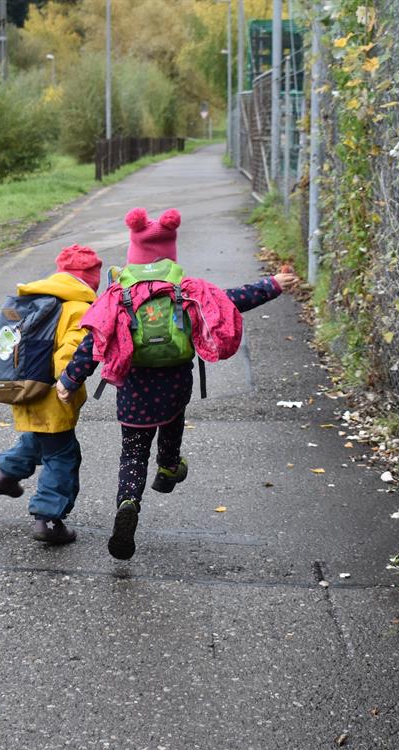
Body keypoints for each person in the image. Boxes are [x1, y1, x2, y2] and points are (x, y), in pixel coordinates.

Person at [56, 208, 296, 560]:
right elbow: (234, 300)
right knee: (170, 425)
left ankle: (128, 503)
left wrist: (69, 379)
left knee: (133, 452)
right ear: (171, 254)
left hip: (134, 391)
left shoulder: (117, 297)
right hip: (174, 386)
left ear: (133, 256)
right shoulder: (188, 291)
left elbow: (93, 341)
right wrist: (273, 284)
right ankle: (168, 467)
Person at [0, 244, 103, 545]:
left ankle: (7, 475)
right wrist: (67, 379)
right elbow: (74, 347)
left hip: (19, 389)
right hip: (52, 395)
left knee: (37, 437)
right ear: (91, 280)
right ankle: (48, 519)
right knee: (63, 455)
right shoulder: (78, 307)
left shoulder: (31, 300)